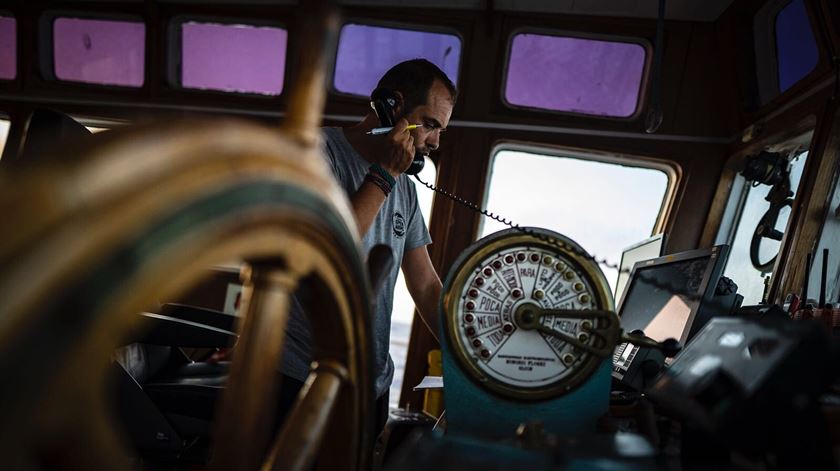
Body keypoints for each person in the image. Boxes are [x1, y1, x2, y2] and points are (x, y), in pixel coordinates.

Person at [280, 59, 457, 432]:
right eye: (430, 124)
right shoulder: (316, 154)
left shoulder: (405, 191)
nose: (436, 141)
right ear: (392, 106)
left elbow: (425, 285)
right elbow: (329, 248)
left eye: (441, 130)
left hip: (369, 386)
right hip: (299, 378)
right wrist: (385, 174)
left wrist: (467, 354)